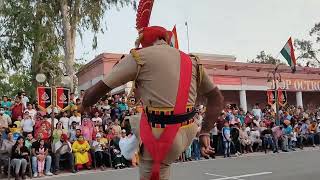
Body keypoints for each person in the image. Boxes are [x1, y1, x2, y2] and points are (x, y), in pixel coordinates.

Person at [80, 0, 224, 179]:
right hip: (188, 130)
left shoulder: (139, 57)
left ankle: (129, 145)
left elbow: (98, 90)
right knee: (142, 127)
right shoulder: (192, 61)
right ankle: (131, 143)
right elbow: (216, 98)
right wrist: (205, 131)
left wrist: (84, 105)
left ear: (144, 41)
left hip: (160, 135)